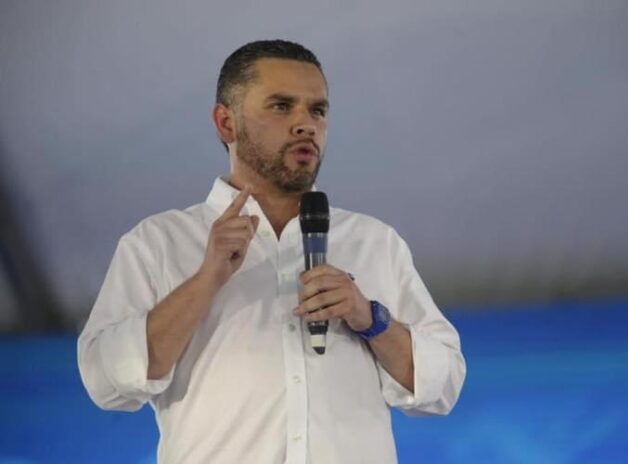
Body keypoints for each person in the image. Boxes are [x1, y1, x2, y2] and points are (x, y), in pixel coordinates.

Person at [77, 39, 466, 464]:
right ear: (226, 123)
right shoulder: (159, 242)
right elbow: (106, 382)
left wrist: (370, 318)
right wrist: (205, 281)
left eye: (317, 110)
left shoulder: (374, 242)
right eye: (282, 106)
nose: (306, 125)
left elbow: (443, 385)